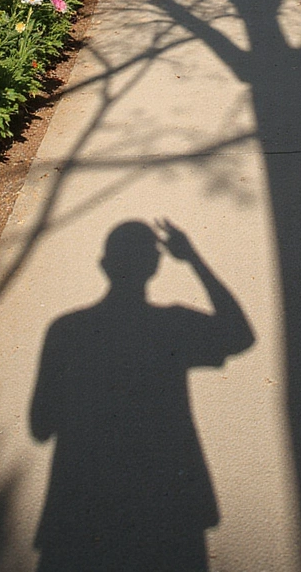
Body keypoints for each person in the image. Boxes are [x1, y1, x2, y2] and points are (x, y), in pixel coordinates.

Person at [30, 218, 254, 572]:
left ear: (105, 265)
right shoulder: (173, 325)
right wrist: (194, 260)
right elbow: (240, 335)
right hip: (169, 496)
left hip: (81, 503)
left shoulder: (65, 330)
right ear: (155, 265)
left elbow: (41, 427)